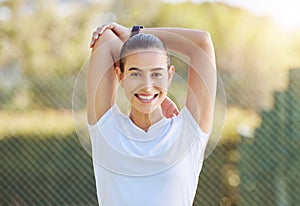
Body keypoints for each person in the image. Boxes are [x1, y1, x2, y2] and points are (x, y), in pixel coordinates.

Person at [87, 22, 216, 206]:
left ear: (169, 76)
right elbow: (106, 40)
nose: (147, 85)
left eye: (156, 74)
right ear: (120, 76)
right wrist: (153, 95)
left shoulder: (189, 132)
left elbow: (202, 42)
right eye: (135, 74)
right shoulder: (106, 129)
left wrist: (134, 34)